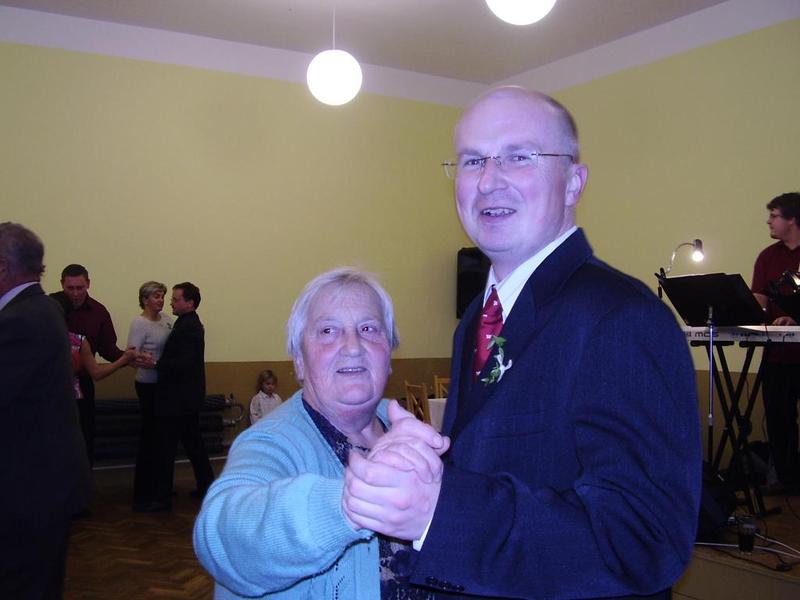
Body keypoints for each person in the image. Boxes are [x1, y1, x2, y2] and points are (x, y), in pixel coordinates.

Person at [343, 87, 702, 599]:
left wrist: (439, 510)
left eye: (519, 156)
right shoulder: (477, 317)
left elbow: (643, 539)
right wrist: (423, 464)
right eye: (472, 161)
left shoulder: (622, 318)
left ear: (573, 182)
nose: (488, 180)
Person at [194, 268, 446, 599]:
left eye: (369, 329)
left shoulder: (410, 431)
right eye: (328, 331)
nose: (353, 346)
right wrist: (352, 502)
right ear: (299, 361)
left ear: (389, 356)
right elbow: (221, 539)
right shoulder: (272, 441)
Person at [0, 222, 90, 598]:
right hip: (39, 485)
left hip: (27, 492)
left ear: (3, 266)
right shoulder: (43, 308)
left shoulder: (20, 319)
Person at [147, 282, 214, 512]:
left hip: (178, 400)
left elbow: (184, 363)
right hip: (186, 398)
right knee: (194, 445)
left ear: (190, 303)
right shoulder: (187, 324)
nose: (171, 303)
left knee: (166, 448)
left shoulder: (188, 327)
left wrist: (156, 363)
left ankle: (162, 497)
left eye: (176, 300)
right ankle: (206, 486)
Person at [51, 263, 125, 464]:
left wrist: (129, 358)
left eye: (80, 288)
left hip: (82, 384)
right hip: (51, 384)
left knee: (84, 436)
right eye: (70, 288)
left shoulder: (98, 312)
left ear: (88, 284)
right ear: (62, 285)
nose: (75, 293)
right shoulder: (50, 307)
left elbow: (109, 350)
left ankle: (83, 478)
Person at [751, 191, 800, 494]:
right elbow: (758, 301)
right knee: (779, 418)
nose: (769, 221)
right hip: (778, 354)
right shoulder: (768, 256)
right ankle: (786, 479)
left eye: (774, 216)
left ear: (792, 220)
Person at [126, 281, 174, 511]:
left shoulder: (167, 320)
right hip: (147, 385)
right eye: (156, 296)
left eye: (162, 296)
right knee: (149, 437)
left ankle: (160, 487)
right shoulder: (140, 323)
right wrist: (144, 360)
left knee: (162, 438)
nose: (161, 300)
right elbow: (131, 356)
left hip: (164, 384)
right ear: (145, 299)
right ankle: (143, 493)